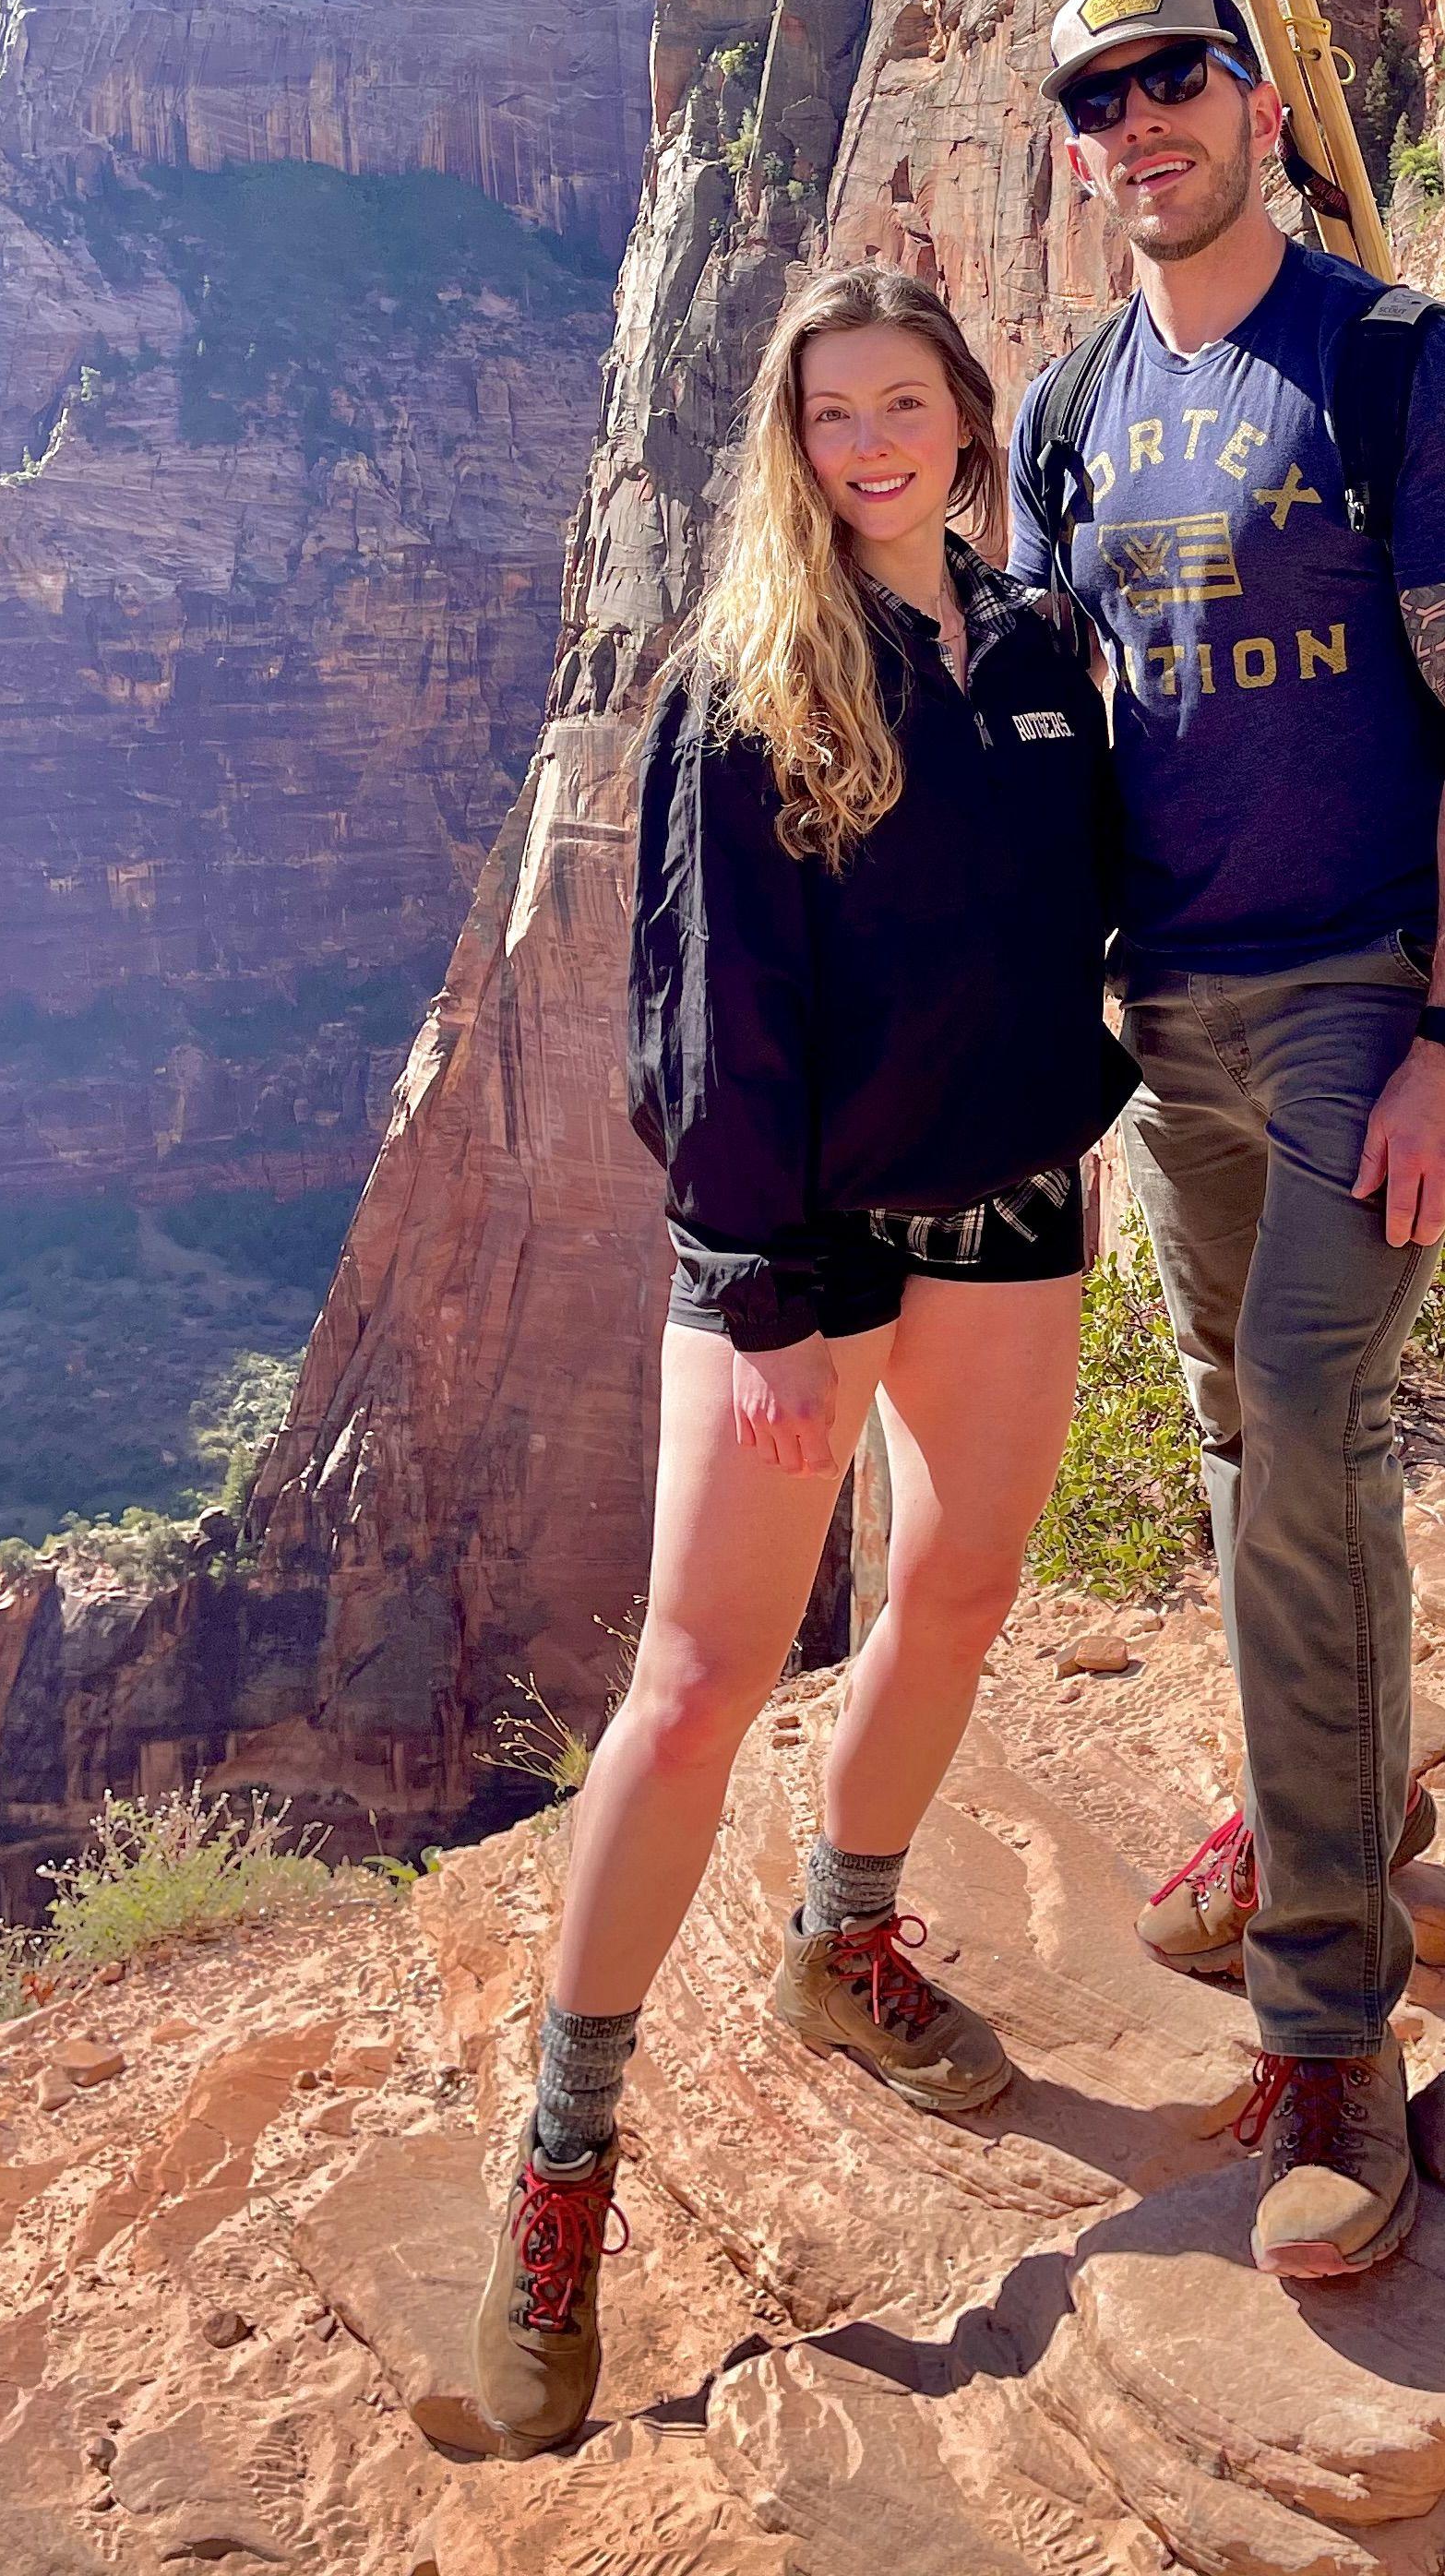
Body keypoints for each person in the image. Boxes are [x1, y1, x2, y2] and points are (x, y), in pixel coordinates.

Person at [472, 265, 1131, 2458]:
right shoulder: (745, 678)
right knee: (697, 1681)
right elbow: (708, 1005)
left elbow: (1113, 899)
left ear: (963, 411)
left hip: (1017, 1207)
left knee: (954, 1594)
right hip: (807, 1243)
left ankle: (840, 1946)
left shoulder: (1041, 651)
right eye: (830, 414)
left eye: (904, 401)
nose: (871, 443)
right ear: (794, 442)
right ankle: (564, 2162)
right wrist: (756, 1281)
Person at [1007, 0, 1445, 2281]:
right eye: (1098, 99)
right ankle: (1336, 1793)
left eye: (1176, 80)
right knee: (1254, 1449)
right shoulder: (1063, 412)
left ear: (1252, 101)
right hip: (1162, 1032)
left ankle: (1331, 2033)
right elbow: (1036, 744)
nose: (1142, 123)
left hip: (1354, 1012)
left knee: (1308, 1431)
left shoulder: (1397, 367)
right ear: (1074, 145)